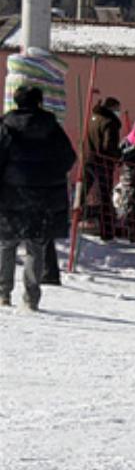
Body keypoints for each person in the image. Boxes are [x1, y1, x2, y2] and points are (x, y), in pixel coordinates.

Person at [0, 86, 76, 311]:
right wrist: (51, 174)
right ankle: (31, 298)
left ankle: (3, 293)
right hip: (44, 195)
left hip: (11, 193)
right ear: (40, 102)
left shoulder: (6, 126)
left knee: (7, 244)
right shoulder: (52, 127)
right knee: (36, 246)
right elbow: (69, 157)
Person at [85, 95, 123, 239]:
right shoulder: (110, 122)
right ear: (112, 108)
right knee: (105, 196)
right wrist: (119, 155)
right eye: (118, 109)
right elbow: (109, 146)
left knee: (84, 192)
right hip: (103, 162)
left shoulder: (94, 118)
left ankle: (75, 221)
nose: (119, 111)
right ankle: (107, 231)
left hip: (89, 159)